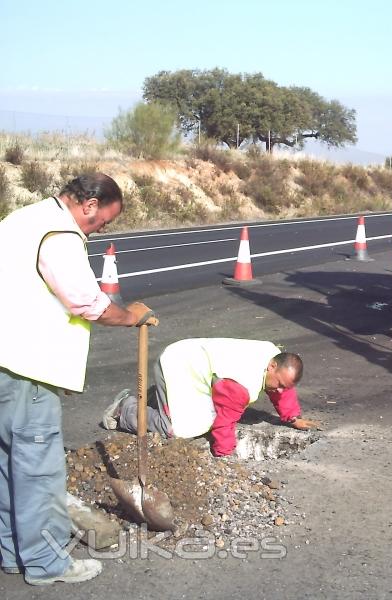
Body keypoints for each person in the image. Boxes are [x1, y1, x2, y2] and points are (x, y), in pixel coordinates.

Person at [0, 174, 158, 586]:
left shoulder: (21, 219)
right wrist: (131, 315)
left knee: (6, 464)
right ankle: (47, 564)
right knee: (38, 470)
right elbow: (87, 302)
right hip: (25, 368)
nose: (100, 229)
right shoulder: (60, 234)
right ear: (88, 204)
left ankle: (14, 553)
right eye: (101, 221)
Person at [102, 338, 319, 457]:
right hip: (180, 364)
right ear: (272, 366)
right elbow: (224, 423)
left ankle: (160, 396)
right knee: (178, 430)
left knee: (195, 415)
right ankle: (126, 408)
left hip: (194, 361)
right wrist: (224, 454)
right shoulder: (243, 385)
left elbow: (283, 387)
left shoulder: (273, 357)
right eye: (279, 385)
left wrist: (292, 417)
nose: (280, 390)